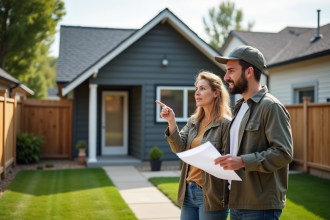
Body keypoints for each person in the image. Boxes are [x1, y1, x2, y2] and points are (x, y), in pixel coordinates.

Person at [214, 46, 293, 220]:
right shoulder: (241, 106)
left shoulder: (271, 107)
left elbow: (283, 153)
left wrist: (242, 161)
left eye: (231, 71)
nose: (226, 77)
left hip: (259, 206)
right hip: (236, 202)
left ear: (249, 72)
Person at [155, 71, 232, 220]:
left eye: (202, 88)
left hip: (211, 194)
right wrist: (172, 122)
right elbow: (179, 148)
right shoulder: (194, 121)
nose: (197, 92)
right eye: (196, 88)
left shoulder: (226, 124)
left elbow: (229, 162)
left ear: (216, 93)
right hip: (189, 191)